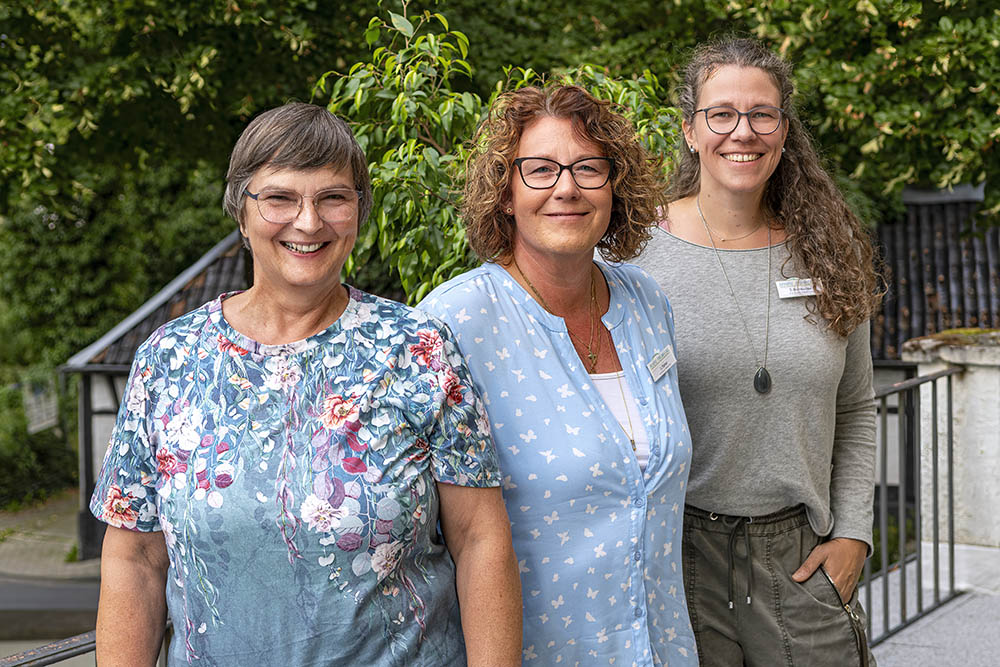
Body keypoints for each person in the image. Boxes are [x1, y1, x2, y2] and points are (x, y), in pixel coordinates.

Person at [90, 102, 521, 666]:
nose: (309, 221)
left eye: (333, 198)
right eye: (280, 198)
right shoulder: (169, 360)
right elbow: (135, 562)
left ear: (359, 212)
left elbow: (481, 543)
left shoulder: (419, 351)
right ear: (240, 212)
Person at [419, 85, 698, 665]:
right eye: (540, 169)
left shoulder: (647, 304)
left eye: (588, 169)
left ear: (615, 187)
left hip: (663, 649)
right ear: (505, 191)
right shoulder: (453, 324)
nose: (566, 188)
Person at [633, 37, 882, 666]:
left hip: (800, 555)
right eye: (721, 113)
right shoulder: (631, 257)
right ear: (691, 130)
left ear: (784, 129)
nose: (742, 132)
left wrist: (854, 532)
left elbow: (856, 409)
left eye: (762, 114)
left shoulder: (831, 252)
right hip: (675, 551)